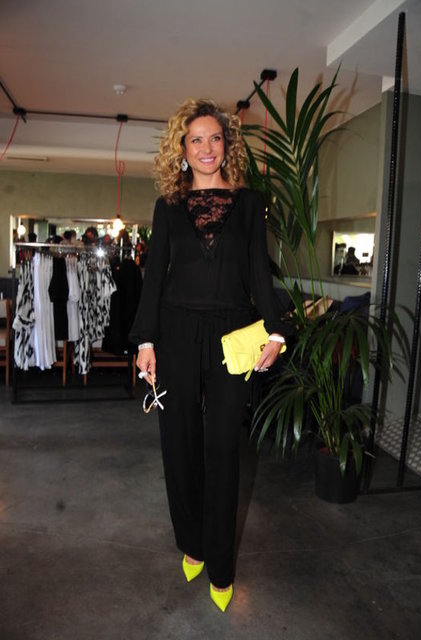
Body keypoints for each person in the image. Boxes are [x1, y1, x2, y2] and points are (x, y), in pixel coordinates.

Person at [129, 98, 286, 612]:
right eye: (196, 139)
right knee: (178, 442)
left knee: (222, 448)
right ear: (182, 148)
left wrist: (276, 332)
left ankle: (220, 564)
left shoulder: (249, 204)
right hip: (174, 333)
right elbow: (154, 277)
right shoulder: (167, 207)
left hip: (230, 335)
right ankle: (192, 542)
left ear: (227, 145)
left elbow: (259, 271)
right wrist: (146, 341)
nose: (206, 147)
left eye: (215, 138)